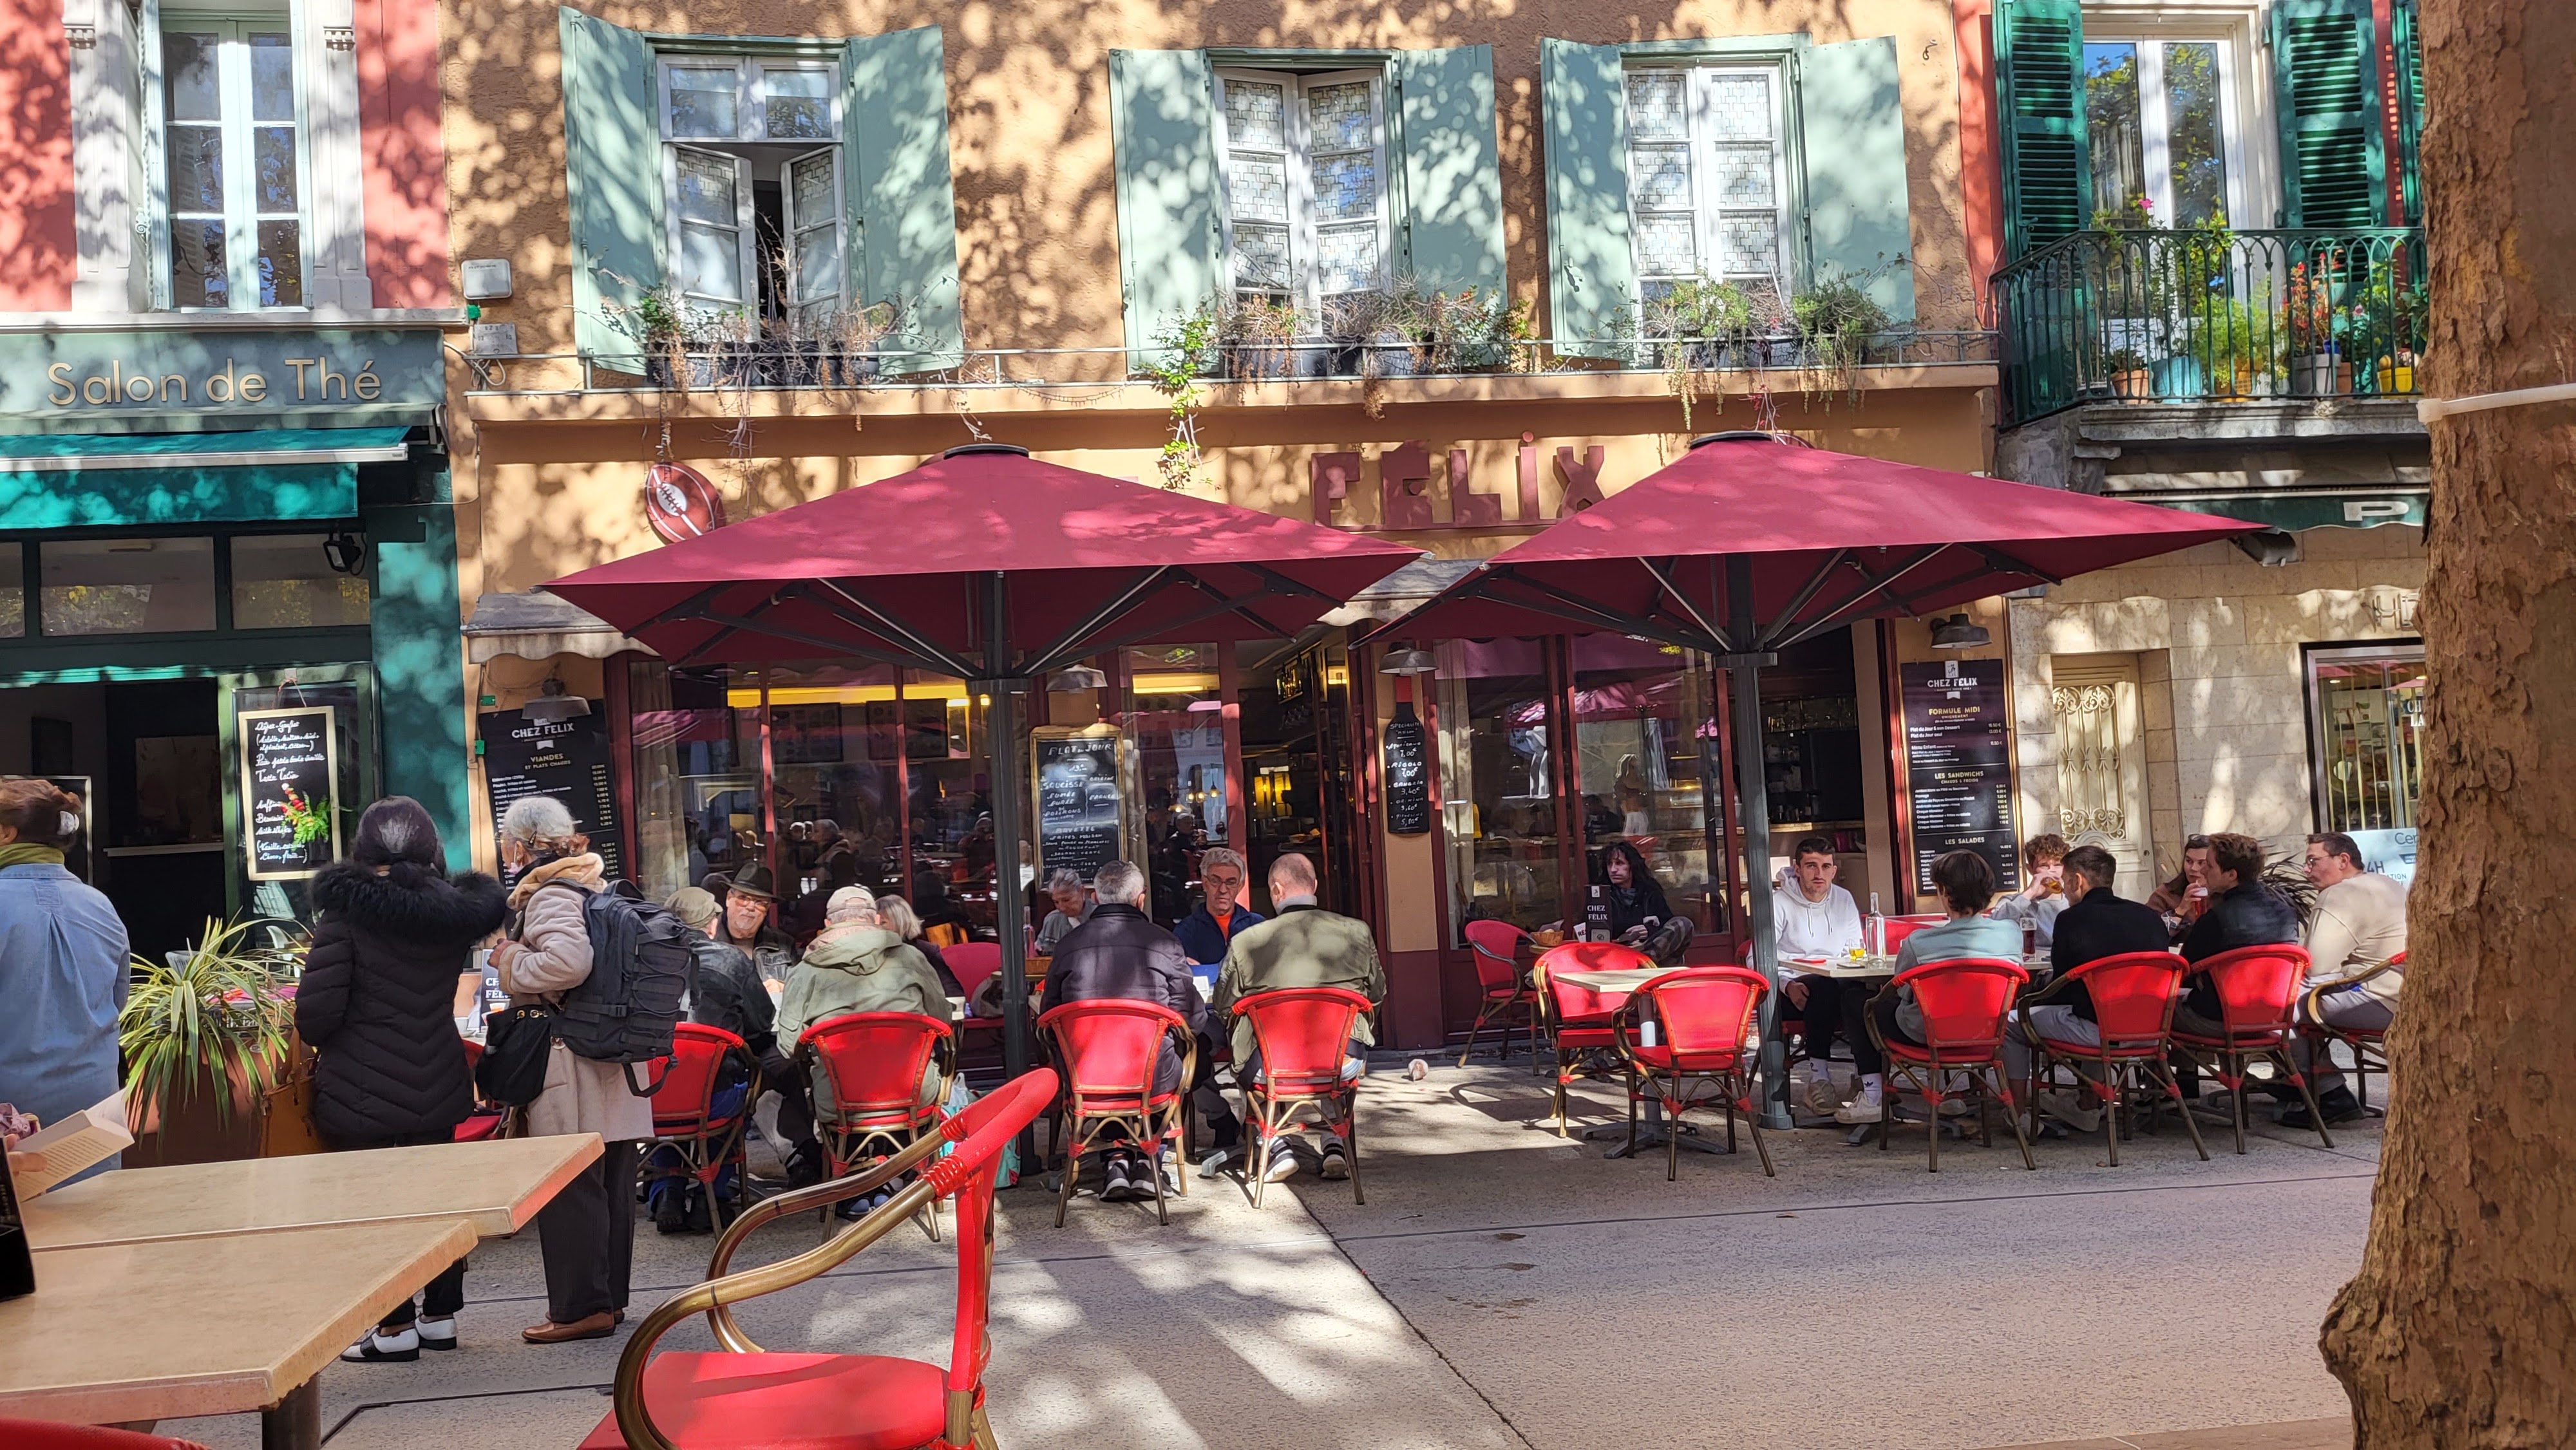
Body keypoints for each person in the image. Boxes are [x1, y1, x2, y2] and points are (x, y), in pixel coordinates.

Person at [298, 798, 508, 1362]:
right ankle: (440, 1316)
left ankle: (393, 1327)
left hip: (359, 1088)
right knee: (438, 1199)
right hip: (437, 1075)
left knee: (375, 1209)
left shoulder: (346, 914)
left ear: (363, 849)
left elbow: (316, 1016)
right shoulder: (452, 912)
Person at [489, 795, 652, 1344]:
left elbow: (567, 964)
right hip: (611, 1062)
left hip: (572, 1064)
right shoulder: (595, 888)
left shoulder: (551, 894)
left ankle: (580, 1309)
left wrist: (509, 959)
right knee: (610, 1187)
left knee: (569, 1190)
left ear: (521, 847)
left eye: (507, 843)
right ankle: (607, 1301)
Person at [1043, 860, 1211, 1201]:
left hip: (1085, 1076)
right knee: (1181, 1058)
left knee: (1107, 1062)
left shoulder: (1069, 945)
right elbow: (1192, 1018)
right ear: (1140, 899)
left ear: (1095, 897)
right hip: (1151, 1077)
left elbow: (1049, 1015)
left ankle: (1116, 1160)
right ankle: (1150, 1161)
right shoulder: (1165, 943)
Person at [1214, 852, 1385, 1183]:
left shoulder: (1246, 943)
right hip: (1343, 1059)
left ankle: (1275, 1145)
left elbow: (1224, 1006)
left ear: (1276, 891)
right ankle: (1335, 1142)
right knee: (1333, 1058)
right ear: (1315, 886)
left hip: (1270, 1066)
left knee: (1251, 1052)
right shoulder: (1357, 932)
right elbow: (1377, 992)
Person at [0, 779, 129, 1185]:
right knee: (94, 1215)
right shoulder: (100, 906)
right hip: (92, 1111)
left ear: (7, 834)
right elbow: (116, 1001)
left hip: (11, 1116)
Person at [660, 887, 821, 1205]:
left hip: (652, 1092)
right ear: (711, 924)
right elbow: (762, 1019)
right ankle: (713, 1196)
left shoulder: (640, 960)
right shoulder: (730, 959)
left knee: (671, 1096)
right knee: (731, 1086)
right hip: (717, 1094)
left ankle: (667, 1192)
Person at [1839, 850, 2023, 1126]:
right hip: (1988, 1033)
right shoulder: (2011, 933)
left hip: (1927, 1034)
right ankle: (1950, 1091)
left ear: (1945, 892)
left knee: (1856, 1001)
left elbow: (1902, 992)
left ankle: (1873, 1096)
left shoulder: (1919, 943)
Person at [2000, 843, 2172, 1132]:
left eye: (2066, 879)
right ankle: (2087, 1104)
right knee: (2097, 1008)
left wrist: (2034, 998)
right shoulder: (2149, 917)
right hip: (2151, 1030)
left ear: (2077, 881)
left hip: (2097, 1031)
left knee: (2011, 1023)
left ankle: (2016, 1114)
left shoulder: (2071, 919)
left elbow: (2062, 986)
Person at [2282, 831, 2408, 1127]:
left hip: (2377, 998)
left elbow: (2315, 966)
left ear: (2343, 860)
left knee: (2280, 1008)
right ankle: (2299, 1084)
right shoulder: (2388, 883)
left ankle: (2330, 1095)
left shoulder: (2339, 895)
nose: (2307, 870)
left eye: (2313, 861)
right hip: (2405, 995)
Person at [2172, 833, 2304, 1075]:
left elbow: (2184, 971)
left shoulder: (2217, 918)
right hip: (2274, 1016)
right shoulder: (2285, 912)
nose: (2202, 871)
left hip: (2218, 1020)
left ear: (2231, 875)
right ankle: (2236, 1077)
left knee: (2157, 1011)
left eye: (2209, 865)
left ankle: (2173, 1087)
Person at [1768, 834, 1866, 1112]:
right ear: (1797, 869)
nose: (1819, 874)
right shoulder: (1779, 903)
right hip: (1792, 989)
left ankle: (1865, 1078)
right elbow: (1757, 958)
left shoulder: (1844, 899)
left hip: (1837, 982)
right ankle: (1819, 1081)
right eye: (1811, 866)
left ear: (1834, 871)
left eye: (1825, 867)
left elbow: (1856, 949)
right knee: (1822, 988)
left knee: (1864, 995)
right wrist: (1786, 984)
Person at [1594, 840, 1693, 966]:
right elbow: (1593, 932)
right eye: (1609, 864)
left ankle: (1643, 960)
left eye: (1619, 863)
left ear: (1632, 866)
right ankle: (1640, 962)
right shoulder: (1600, 894)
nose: (1613, 870)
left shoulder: (1650, 891)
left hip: (1650, 950)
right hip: (1617, 953)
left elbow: (1666, 924)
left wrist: (1650, 929)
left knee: (1683, 923)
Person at [1173, 847, 1264, 966]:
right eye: (1215, 881)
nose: (1223, 890)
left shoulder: (1258, 926)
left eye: (1231, 882)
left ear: (1240, 886)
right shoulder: (1186, 930)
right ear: (1205, 883)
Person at [716, 862, 799, 986]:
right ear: (729, 899)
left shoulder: (784, 945)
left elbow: (799, 988)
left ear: (767, 908)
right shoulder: (705, 942)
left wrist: (784, 989)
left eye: (760, 902)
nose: (750, 907)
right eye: (743, 898)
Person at [1987, 833, 2072, 951]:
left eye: (2058, 865)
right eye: (2044, 866)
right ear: (2031, 869)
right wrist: (2030, 893)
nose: (2051, 871)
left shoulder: (2073, 902)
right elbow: (1992, 928)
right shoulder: (2014, 902)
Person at [876, 894, 966, 996]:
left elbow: (951, 990)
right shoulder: (871, 952)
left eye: (883, 923)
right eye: (874, 923)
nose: (876, 927)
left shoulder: (926, 951)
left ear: (901, 922)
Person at [2148, 834, 2217, 942]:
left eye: (2201, 863)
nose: (2193, 868)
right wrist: (2180, 910)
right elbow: (2149, 935)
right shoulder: (2165, 894)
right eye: (2189, 861)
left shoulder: (2222, 893)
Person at [1033, 868, 1093, 955]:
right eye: (1056, 902)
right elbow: (1039, 951)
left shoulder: (1099, 916)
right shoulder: (1052, 920)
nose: (1062, 908)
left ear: (1081, 891)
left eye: (1066, 900)